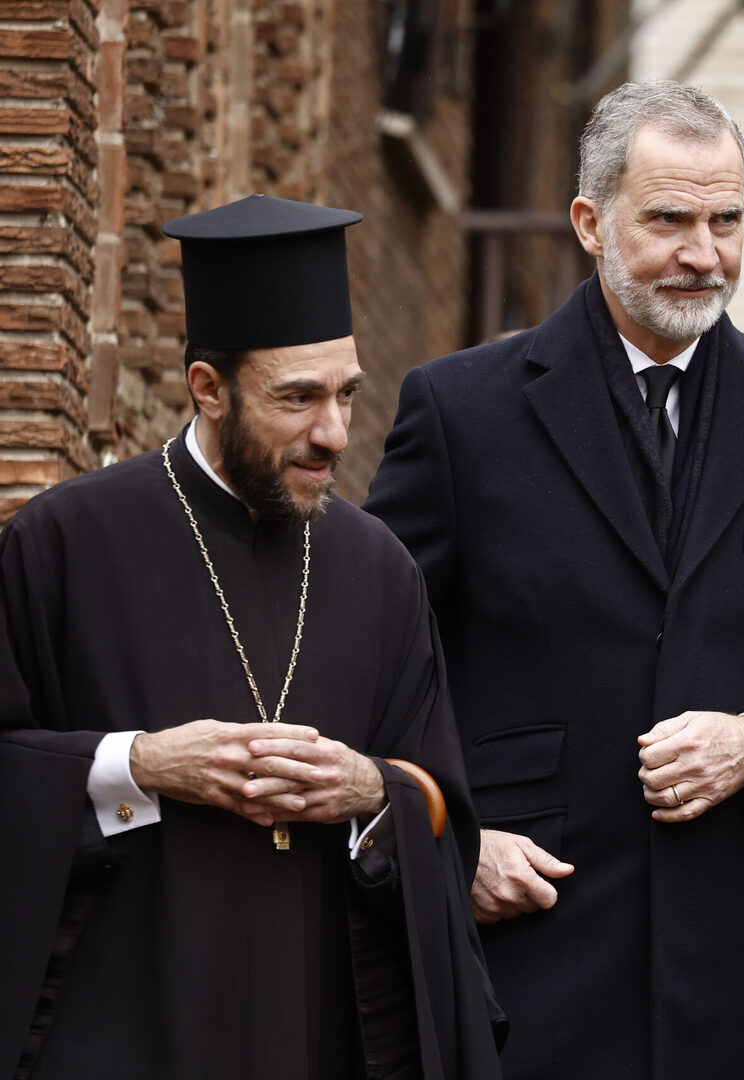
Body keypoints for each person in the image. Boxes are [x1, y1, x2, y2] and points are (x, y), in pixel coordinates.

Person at [364, 80, 744, 1077]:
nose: (703, 254)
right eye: (668, 221)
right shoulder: (459, 411)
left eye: (725, 221)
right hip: (529, 956)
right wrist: (448, 844)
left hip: (738, 977)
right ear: (589, 222)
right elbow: (373, 663)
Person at [0, 194, 502, 1079]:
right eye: (297, 399)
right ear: (209, 388)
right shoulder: (65, 541)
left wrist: (367, 790)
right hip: (119, 1029)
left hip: (317, 1032)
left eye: (346, 395)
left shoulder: (382, 571)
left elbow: (439, 809)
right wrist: (138, 766)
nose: (333, 434)